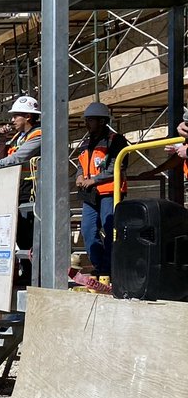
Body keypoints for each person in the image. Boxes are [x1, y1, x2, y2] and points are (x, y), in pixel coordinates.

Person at [75, 102, 128, 277]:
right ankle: (100, 267)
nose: (87, 124)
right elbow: (81, 163)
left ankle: (110, 269)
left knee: (110, 228)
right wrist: (80, 177)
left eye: (90, 120)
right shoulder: (86, 142)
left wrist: (94, 180)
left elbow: (116, 167)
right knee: (88, 230)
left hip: (109, 192)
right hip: (90, 194)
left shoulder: (116, 140)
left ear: (102, 121)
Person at [0, 95, 42, 201]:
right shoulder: (18, 137)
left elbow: (17, 158)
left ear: (28, 116)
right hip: (17, 183)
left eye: (15, 116)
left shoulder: (38, 134)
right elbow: (1, 156)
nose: (12, 120)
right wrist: (1, 139)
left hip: (32, 185)